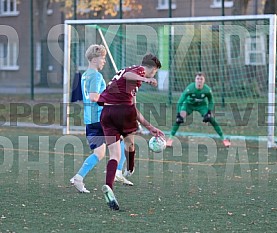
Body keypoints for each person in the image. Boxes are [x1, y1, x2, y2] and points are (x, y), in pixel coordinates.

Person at [98, 53, 165, 210]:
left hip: (107, 113)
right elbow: (130, 75)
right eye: (154, 72)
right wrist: (146, 79)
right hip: (122, 112)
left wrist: (150, 127)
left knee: (114, 155)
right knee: (130, 144)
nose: (153, 75)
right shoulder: (139, 71)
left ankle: (109, 186)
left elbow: (133, 107)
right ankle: (130, 168)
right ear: (153, 68)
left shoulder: (130, 79)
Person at [70, 44, 133, 194]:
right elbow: (93, 97)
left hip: (90, 120)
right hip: (102, 119)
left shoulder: (85, 75)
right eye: (102, 58)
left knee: (99, 154)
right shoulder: (96, 76)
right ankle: (117, 173)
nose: (104, 61)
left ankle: (78, 178)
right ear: (94, 59)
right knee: (123, 143)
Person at [166, 72, 231, 147]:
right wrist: (178, 113)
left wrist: (209, 112)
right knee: (179, 119)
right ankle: (170, 139)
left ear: (204, 80)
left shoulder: (207, 90)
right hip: (188, 105)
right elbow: (181, 100)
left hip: (201, 106)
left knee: (212, 119)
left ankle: (224, 139)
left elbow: (211, 101)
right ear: (195, 80)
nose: (199, 80)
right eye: (198, 79)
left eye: (201, 79)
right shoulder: (190, 88)